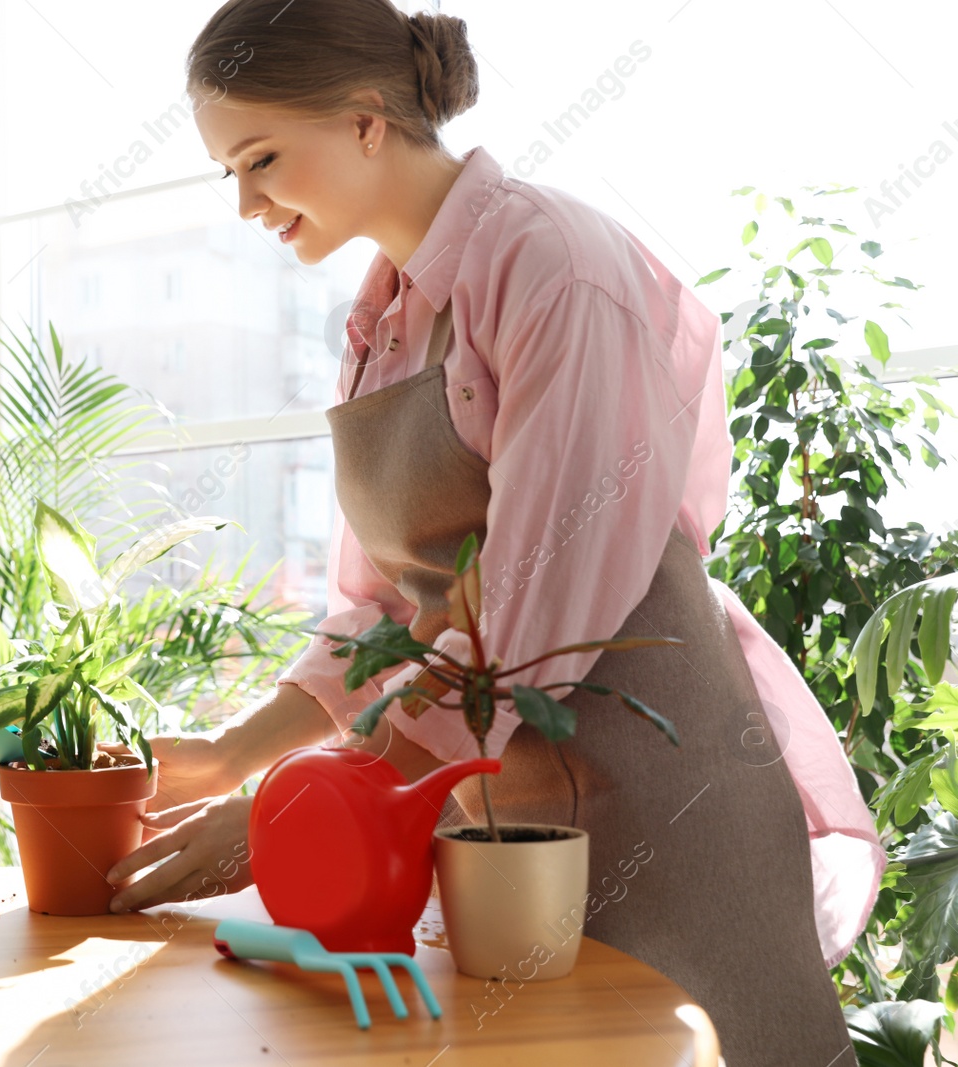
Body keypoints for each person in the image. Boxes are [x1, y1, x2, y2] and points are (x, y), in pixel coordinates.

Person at [104, 2, 882, 1062]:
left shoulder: (553, 266)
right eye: (226, 173)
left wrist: (307, 820)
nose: (243, 202)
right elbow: (380, 613)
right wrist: (230, 755)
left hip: (655, 799)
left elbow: (536, 610)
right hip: (489, 811)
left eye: (260, 158)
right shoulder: (383, 318)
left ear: (367, 119)